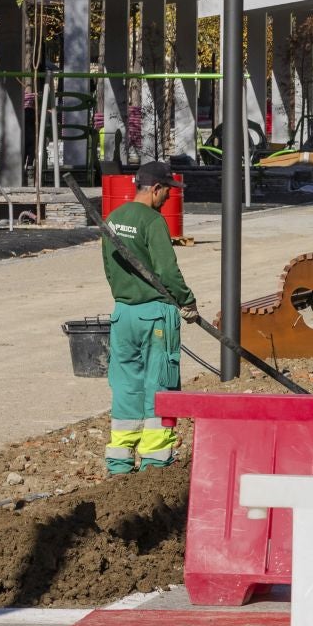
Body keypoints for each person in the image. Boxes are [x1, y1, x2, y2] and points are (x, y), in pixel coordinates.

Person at [101, 160, 197, 474]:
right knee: (161, 387)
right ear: (155, 189)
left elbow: (109, 267)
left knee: (127, 387)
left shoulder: (113, 219)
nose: (170, 196)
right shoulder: (153, 222)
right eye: (168, 190)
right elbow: (168, 272)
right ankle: (155, 464)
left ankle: (119, 462)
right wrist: (187, 302)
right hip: (155, 315)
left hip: (123, 315)